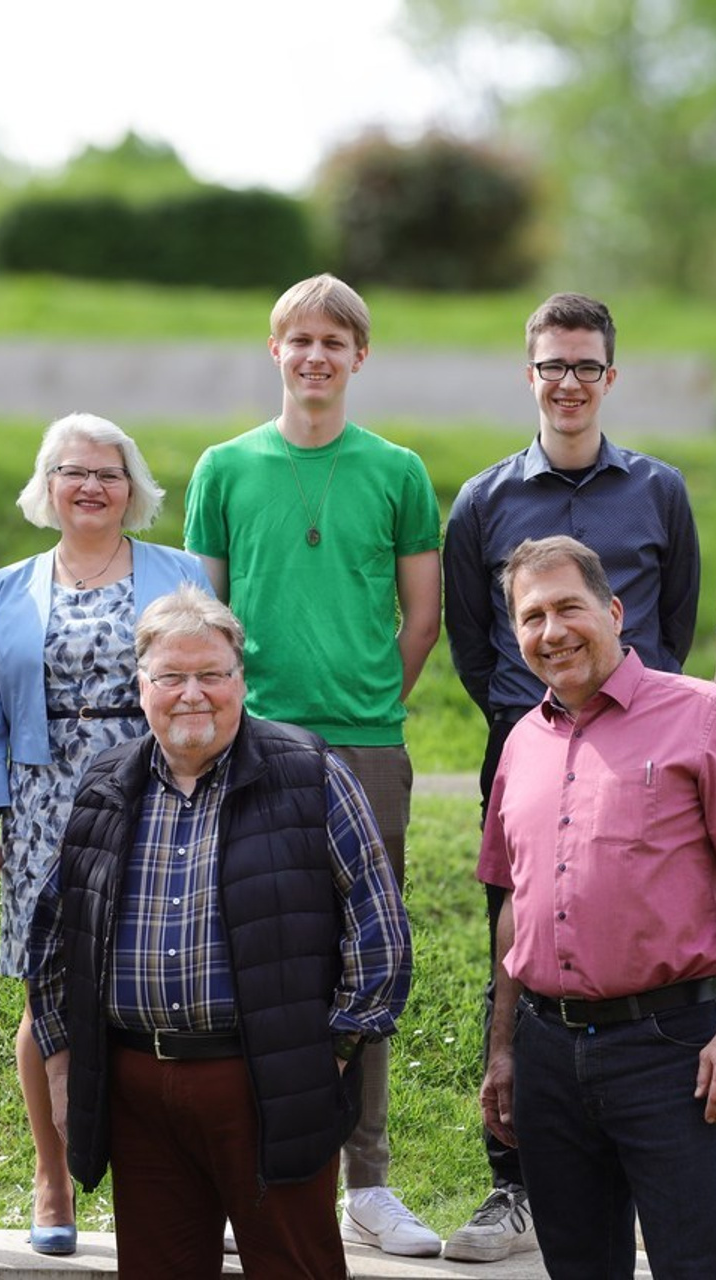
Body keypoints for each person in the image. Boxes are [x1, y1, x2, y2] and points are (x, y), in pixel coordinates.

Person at [26, 584, 412, 1280]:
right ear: (141, 686)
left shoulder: (313, 772)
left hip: (268, 1083)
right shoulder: (105, 782)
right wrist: (59, 1066)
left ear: (242, 681)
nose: (191, 694)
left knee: (295, 1267)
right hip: (138, 1088)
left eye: (211, 675)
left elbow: (379, 934)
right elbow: (56, 940)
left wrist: (328, 1057)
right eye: (171, 677)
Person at [182, 273, 441, 1258]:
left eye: (335, 339)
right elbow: (203, 619)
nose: (316, 355)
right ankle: (253, 1167)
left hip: (367, 742)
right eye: (299, 339)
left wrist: (372, 697)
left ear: (358, 357)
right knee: (250, 947)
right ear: (274, 350)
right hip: (254, 742)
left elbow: (421, 616)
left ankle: (367, 1178)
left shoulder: (397, 471)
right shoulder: (224, 467)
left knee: (367, 954)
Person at [442, 291, 700, 1262]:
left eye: (584, 365)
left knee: (646, 936)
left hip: (641, 755)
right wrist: (523, 719)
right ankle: (512, 1181)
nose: (566, 382)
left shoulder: (658, 489)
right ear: (528, 375)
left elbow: (672, 620)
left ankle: (646, 1155)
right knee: (518, 944)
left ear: (608, 377)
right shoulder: (482, 498)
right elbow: (474, 641)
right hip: (525, 750)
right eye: (550, 365)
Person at [479, 535, 716, 1280]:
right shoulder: (520, 743)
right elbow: (512, 905)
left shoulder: (705, 715)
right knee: (579, 1266)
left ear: (614, 610)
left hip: (669, 1048)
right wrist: (502, 1050)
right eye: (532, 617)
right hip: (546, 1053)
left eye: (568, 608)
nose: (551, 631)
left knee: (695, 1265)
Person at [0, 412, 211, 1254]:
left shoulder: (180, 572)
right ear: (49, 486)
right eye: (74, 472)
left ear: (132, 486)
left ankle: (170, 1184)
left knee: (160, 981)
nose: (92, 486)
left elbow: (208, 683)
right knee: (48, 988)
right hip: (43, 803)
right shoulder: (8, 588)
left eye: (108, 472)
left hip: (154, 788)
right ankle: (52, 1177)